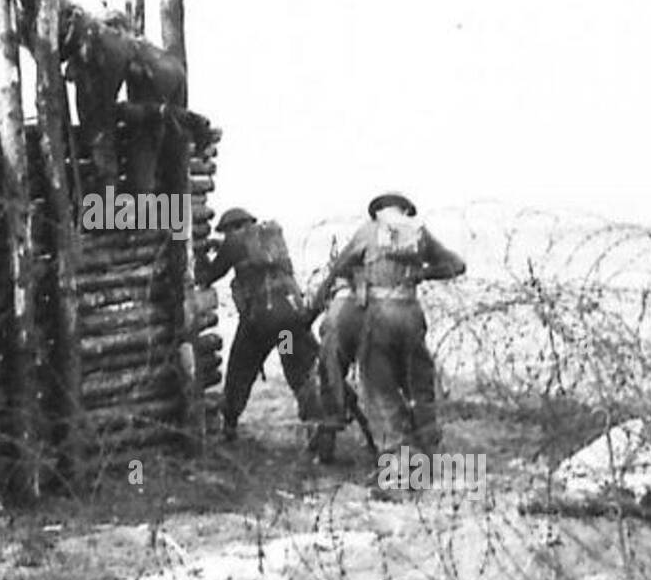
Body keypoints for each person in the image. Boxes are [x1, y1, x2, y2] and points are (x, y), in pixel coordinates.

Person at [308, 193, 465, 455]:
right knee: (418, 385)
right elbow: (457, 264)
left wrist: (308, 313)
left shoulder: (367, 232)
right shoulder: (419, 234)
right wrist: (422, 274)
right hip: (410, 314)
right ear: (405, 211)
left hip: (378, 317)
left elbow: (338, 268)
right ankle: (431, 456)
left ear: (377, 212)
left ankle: (398, 476)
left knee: (381, 397)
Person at [198, 207, 322, 442]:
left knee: (241, 369)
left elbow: (208, 276)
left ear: (232, 228)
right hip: (287, 325)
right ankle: (316, 426)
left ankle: (230, 424)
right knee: (296, 370)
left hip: (261, 325)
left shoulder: (233, 243)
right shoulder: (271, 237)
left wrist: (202, 256)